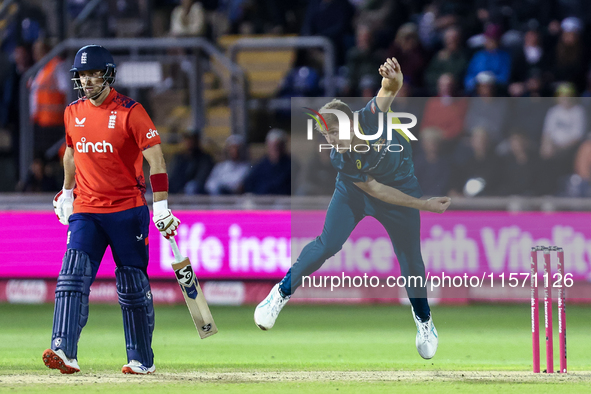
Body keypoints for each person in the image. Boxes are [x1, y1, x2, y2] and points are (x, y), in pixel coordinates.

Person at [254, 58, 451, 360]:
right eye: (326, 137)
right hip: (359, 191)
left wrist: (394, 78)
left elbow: (388, 90)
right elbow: (375, 190)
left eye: (334, 133)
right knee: (327, 244)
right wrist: (424, 205)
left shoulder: (368, 118)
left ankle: (424, 322)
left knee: (410, 260)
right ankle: (279, 294)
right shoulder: (340, 158)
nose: (331, 142)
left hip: (400, 187)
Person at [43, 45, 180, 375]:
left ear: (108, 75)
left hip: (127, 211)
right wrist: (66, 191)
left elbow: (156, 160)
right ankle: (64, 351)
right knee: (72, 277)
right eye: (83, 74)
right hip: (86, 210)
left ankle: (141, 359)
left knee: (132, 286)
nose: (88, 80)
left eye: (94, 73)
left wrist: (161, 206)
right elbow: (72, 153)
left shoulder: (132, 112)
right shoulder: (72, 112)